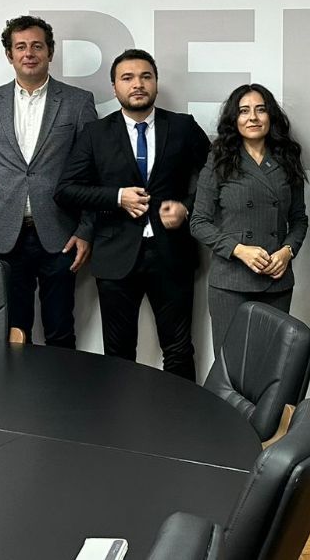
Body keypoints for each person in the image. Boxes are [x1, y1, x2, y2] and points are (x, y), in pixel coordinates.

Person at [55, 49, 210, 380]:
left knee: (179, 350)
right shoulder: (96, 133)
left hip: (172, 253)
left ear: (156, 83)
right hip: (115, 255)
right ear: (114, 87)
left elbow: (217, 177)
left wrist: (186, 207)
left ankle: (183, 415)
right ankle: (121, 415)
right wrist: (116, 197)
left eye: (145, 76)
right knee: (118, 353)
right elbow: (66, 189)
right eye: (127, 78)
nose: (137, 84)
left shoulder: (182, 127)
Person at [0, 15, 97, 348]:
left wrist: (86, 229)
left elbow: (92, 173)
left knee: (60, 330)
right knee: (12, 332)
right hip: (3, 236)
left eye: (37, 46)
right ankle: (13, 385)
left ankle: (60, 384)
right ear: (9, 55)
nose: (29, 53)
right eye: (20, 47)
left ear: (50, 52)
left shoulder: (78, 102)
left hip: (61, 234)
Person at [190, 83, 307, 349]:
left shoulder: (287, 158)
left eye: (260, 110)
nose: (253, 117)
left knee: (272, 364)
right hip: (230, 283)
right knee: (231, 366)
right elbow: (198, 222)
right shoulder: (219, 159)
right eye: (244, 111)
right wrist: (239, 250)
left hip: (276, 281)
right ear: (234, 119)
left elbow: (299, 219)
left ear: (271, 116)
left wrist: (287, 251)